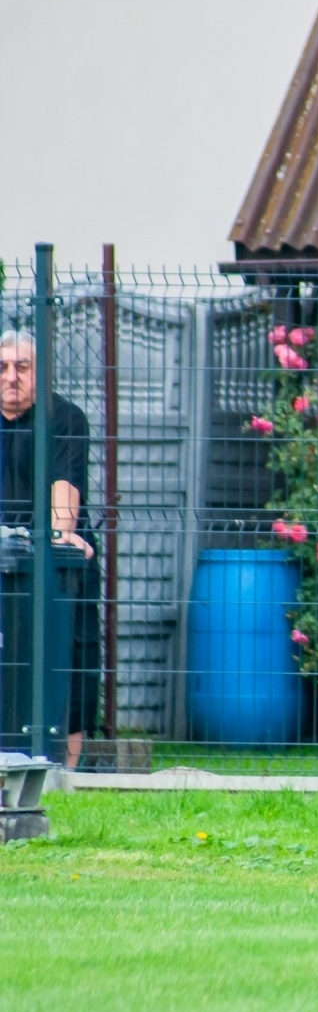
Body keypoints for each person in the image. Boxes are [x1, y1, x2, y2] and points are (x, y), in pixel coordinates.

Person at [0, 329, 99, 768]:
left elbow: (65, 485)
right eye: (2, 368)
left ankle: (67, 773)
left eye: (22, 368)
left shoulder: (63, 418)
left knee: (71, 652)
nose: (11, 378)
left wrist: (61, 536)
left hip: (53, 557)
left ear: (40, 373)